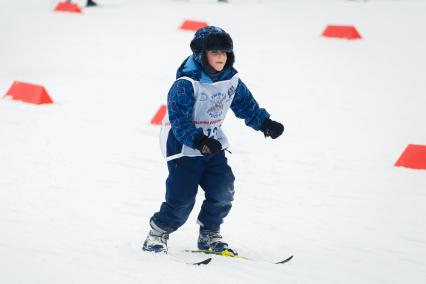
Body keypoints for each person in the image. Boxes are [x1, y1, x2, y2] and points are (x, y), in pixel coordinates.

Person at [142, 26, 284, 255]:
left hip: (213, 143)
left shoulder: (231, 79)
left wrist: (265, 124)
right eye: (215, 52)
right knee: (182, 200)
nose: (221, 57)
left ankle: (209, 234)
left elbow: (246, 106)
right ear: (201, 54)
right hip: (184, 146)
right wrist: (198, 141)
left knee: (223, 189)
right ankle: (157, 233)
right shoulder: (186, 84)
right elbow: (180, 122)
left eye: (225, 52)